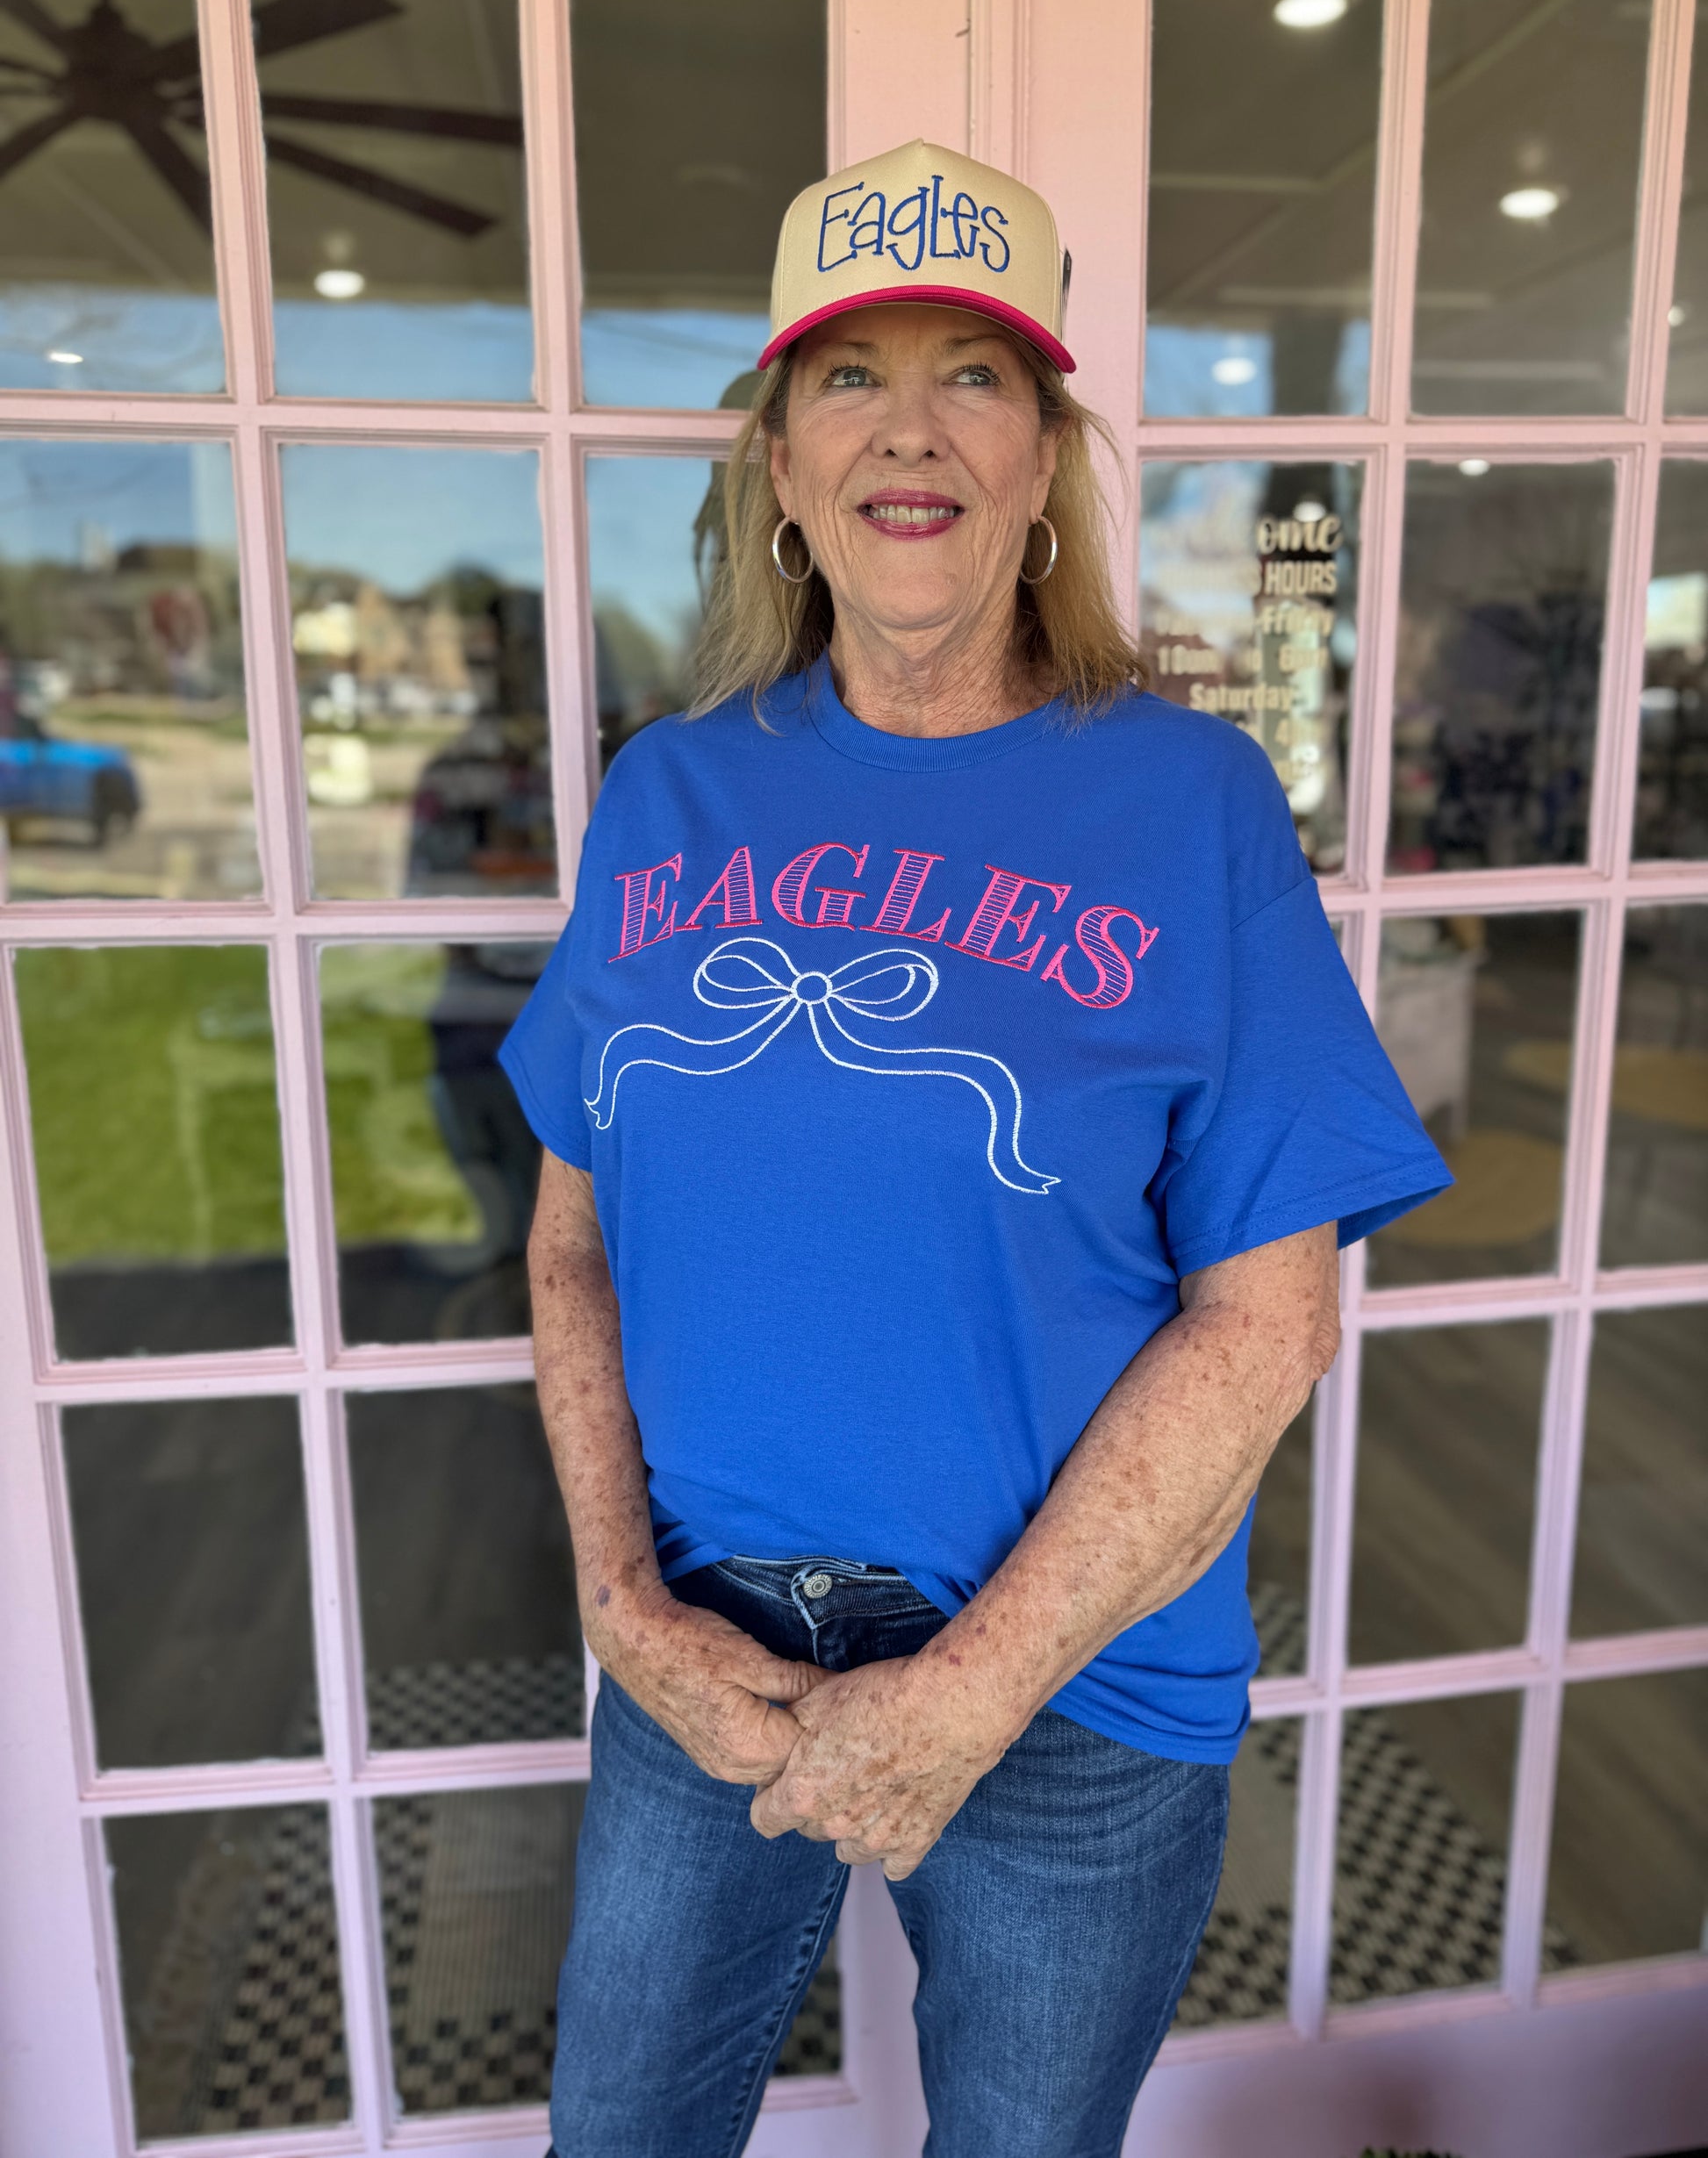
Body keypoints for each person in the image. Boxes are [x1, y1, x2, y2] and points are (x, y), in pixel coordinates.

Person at [500, 138, 1451, 2158]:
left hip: (1075, 1683)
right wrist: (615, 1602)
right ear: (778, 461)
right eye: (848, 376)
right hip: (703, 1647)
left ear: (1041, 465)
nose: (907, 429)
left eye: (975, 376)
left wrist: (970, 1688)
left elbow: (1265, 1322)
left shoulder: (1186, 799)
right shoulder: (669, 794)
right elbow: (573, 1234)